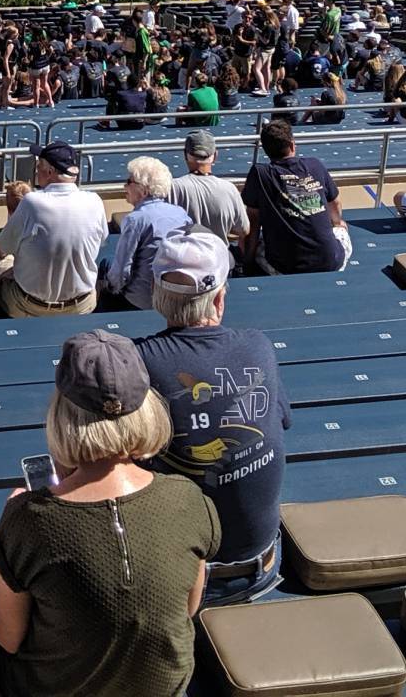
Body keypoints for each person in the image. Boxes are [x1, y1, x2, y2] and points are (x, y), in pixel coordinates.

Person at [0, 331, 218, 697]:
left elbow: (8, 638)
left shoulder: (27, 519)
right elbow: (188, 608)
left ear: (63, 415)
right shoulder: (189, 499)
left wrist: (9, 530)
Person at [136, 231, 286, 603]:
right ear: (219, 298)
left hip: (184, 578)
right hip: (265, 563)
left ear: (156, 294)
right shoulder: (257, 345)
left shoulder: (138, 362)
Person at [0, 142, 108, 317]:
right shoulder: (95, 201)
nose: (35, 171)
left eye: (38, 166)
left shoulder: (32, 202)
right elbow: (101, 241)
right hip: (82, 306)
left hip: (29, 307)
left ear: (50, 173)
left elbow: (4, 248)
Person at [240, 119, 348, 273]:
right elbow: (335, 205)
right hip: (331, 262)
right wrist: (337, 223)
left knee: (259, 244)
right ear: (292, 145)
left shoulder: (259, 173)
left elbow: (253, 223)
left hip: (285, 268)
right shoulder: (315, 165)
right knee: (341, 228)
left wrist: (247, 264)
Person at [102, 158, 191, 311]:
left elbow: (122, 270)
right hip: (173, 297)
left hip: (140, 300)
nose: (124, 186)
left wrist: (108, 287)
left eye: (129, 181)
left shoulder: (135, 220)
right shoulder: (181, 214)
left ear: (144, 190)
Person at [172, 130, 249, 251]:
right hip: (218, 262)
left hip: (183, 262)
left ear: (185, 154)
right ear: (215, 156)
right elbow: (244, 230)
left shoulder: (173, 188)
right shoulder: (229, 189)